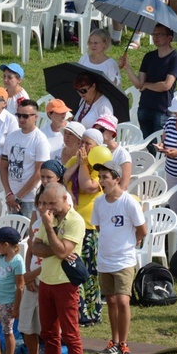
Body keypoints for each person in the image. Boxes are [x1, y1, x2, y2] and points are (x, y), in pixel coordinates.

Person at [29, 183, 85, 354]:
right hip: (47, 281)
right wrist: (57, 247)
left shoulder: (75, 221)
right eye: (44, 203)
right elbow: (36, 248)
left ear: (64, 199)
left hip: (65, 284)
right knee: (49, 333)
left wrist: (51, 232)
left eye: (52, 203)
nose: (47, 207)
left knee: (71, 335)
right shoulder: (48, 218)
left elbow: (62, 251)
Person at [92, 160, 146, 354]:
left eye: (105, 177)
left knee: (123, 300)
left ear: (116, 179)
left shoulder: (128, 201)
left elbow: (142, 230)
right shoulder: (98, 202)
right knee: (111, 301)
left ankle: (124, 343)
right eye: (100, 177)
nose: (101, 181)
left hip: (124, 260)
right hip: (105, 259)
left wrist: (130, 244)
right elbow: (99, 227)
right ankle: (113, 342)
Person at [17, 160, 66, 354]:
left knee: (49, 328)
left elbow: (56, 252)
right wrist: (27, 273)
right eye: (42, 177)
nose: (43, 207)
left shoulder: (59, 218)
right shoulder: (36, 218)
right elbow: (30, 246)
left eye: (49, 177)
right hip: (33, 277)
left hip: (50, 276)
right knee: (27, 323)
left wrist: (34, 274)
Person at [63, 128, 104, 324]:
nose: (83, 147)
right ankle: (76, 311)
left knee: (89, 271)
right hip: (73, 224)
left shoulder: (99, 166)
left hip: (89, 226)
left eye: (88, 143)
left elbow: (87, 186)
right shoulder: (76, 161)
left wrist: (85, 165)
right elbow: (63, 178)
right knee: (74, 268)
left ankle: (90, 313)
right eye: (82, 143)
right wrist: (79, 163)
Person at [120, 24, 177, 139]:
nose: (155, 37)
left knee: (159, 145)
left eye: (159, 34)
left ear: (169, 38)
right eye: (154, 33)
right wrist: (127, 67)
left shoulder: (175, 58)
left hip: (162, 109)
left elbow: (166, 85)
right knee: (148, 145)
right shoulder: (149, 56)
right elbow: (139, 84)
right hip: (144, 106)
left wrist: (147, 85)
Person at [1, 99, 50, 218]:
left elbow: (39, 173)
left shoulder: (40, 140)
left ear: (36, 117)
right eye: (19, 115)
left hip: (29, 198)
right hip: (11, 195)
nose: (21, 119)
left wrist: (18, 196)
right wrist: (9, 194)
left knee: (28, 233)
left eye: (25, 116)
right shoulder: (12, 136)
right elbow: (3, 167)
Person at [93, 115, 133, 190]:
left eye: (101, 130)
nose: (98, 133)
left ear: (112, 132)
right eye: (96, 130)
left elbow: (124, 185)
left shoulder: (123, 154)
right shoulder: (97, 150)